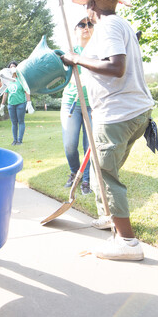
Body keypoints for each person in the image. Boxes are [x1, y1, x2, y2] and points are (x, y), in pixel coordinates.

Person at [61, 0, 154, 261]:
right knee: (106, 170)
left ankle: (127, 242)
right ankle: (108, 217)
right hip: (135, 112)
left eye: (89, 1)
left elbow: (116, 67)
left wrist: (76, 59)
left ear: (94, 3)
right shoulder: (121, 24)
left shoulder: (109, 25)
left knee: (106, 175)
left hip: (117, 114)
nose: (86, 6)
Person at [61, 17, 94, 193]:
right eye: (81, 24)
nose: (86, 27)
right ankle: (75, 172)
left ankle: (86, 180)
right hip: (71, 104)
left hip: (93, 105)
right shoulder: (68, 51)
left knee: (89, 147)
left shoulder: (99, 50)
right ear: (74, 30)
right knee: (69, 144)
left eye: (90, 24)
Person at [0, 61, 33, 145]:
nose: (12, 68)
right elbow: (5, 93)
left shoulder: (21, 80)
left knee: (21, 121)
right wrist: (2, 105)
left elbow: (26, 91)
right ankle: (14, 140)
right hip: (11, 105)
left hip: (21, 104)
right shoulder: (7, 81)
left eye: (14, 66)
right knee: (14, 123)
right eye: (10, 67)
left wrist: (29, 103)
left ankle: (19, 140)